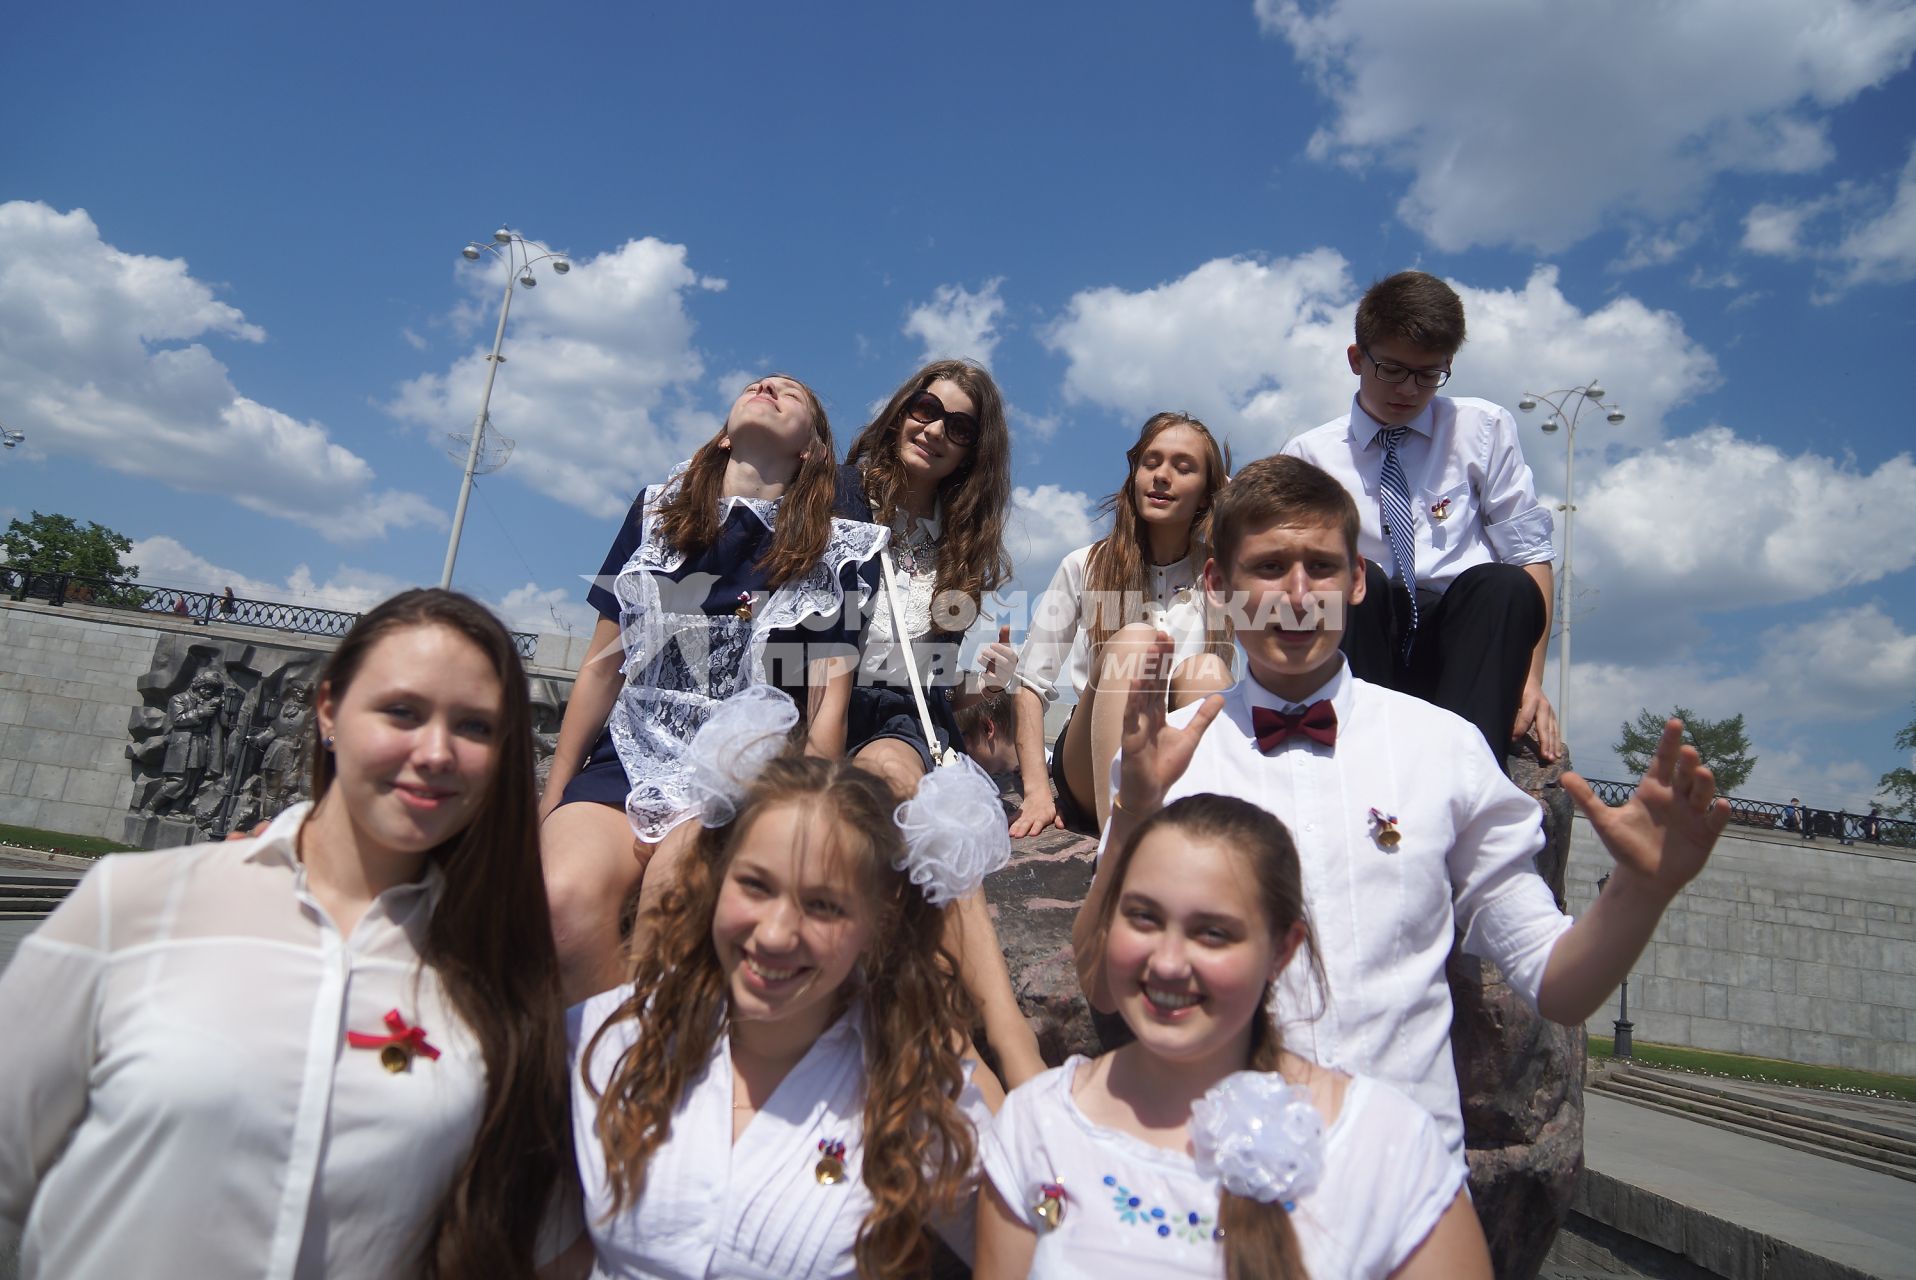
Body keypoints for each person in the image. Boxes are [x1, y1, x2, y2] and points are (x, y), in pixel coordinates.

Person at [1072, 456, 1729, 1159]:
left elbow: (1557, 985)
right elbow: (1103, 986)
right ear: (1216, 586)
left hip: (1398, 1183)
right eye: (1267, 568)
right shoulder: (1167, 758)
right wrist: (1135, 812)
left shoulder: (1444, 751)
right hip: (1201, 1169)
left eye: (1320, 567)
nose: (1298, 594)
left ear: (1356, 579)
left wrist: (1643, 890)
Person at [0, 589, 572, 1278]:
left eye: (476, 727)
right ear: (329, 711)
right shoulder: (133, 903)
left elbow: (533, 1242)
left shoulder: (501, 976)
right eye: (402, 712)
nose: (436, 752)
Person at [560, 686, 1007, 1278]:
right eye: (755, 886)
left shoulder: (913, 1094)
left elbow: (1044, 1244)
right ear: (715, 880)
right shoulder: (603, 1040)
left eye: (823, 906)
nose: (774, 935)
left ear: (877, 925)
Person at [978, 794, 1491, 1279]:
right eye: (1143, 917)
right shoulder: (1034, 1130)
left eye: (1214, 933)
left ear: (1282, 950)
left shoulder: (1385, 1149)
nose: (1169, 963)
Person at [539, 374, 886, 1002]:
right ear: (724, 437)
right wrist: (556, 793)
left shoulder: (840, 547)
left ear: (810, 449)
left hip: (743, 780)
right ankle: (578, 1078)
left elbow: (827, 700)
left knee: (672, 909)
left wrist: (811, 818)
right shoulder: (654, 511)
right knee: (560, 901)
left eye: (794, 394)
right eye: (762, 382)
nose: (770, 385)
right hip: (629, 757)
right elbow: (601, 662)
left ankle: (646, 1080)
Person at [838, 359, 1043, 1089]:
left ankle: (1008, 1049)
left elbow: (920, 685)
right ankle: (967, 1049)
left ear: (973, 452)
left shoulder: (957, 541)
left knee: (919, 800)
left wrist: (977, 687)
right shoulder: (836, 495)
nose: (935, 431)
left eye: (960, 427)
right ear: (900, 410)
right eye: (926, 409)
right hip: (817, 702)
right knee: (904, 808)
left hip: (898, 718)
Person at [1281, 270, 1559, 767]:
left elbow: (1531, 555)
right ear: (1356, 359)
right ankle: (1356, 763)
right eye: (1391, 369)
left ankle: (1464, 778)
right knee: (1351, 582)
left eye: (1428, 374)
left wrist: (1530, 681)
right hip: (1363, 643)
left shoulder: (1483, 428)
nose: (1408, 390)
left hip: (1461, 644)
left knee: (1504, 585)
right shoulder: (1308, 456)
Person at [1013, 412, 1234, 837]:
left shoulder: (1224, 575)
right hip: (1092, 753)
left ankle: (1213, 838)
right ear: (1135, 474)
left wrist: (1232, 513)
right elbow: (1029, 686)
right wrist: (1037, 790)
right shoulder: (1084, 565)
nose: (1163, 476)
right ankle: (1119, 847)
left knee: (1208, 670)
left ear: (1207, 495)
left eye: (1184, 467)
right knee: (1136, 643)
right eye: (1151, 462)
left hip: (1183, 746)